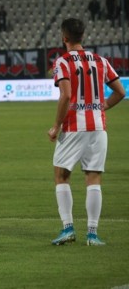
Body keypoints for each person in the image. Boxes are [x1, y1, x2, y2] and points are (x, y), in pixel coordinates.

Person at [47, 18, 125, 246]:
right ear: (83, 36)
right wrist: (101, 107)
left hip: (73, 127)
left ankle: (68, 229)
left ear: (64, 37)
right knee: (93, 178)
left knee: (62, 176)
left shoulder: (62, 62)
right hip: (98, 127)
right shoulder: (100, 60)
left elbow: (66, 95)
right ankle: (92, 234)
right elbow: (120, 91)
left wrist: (56, 126)